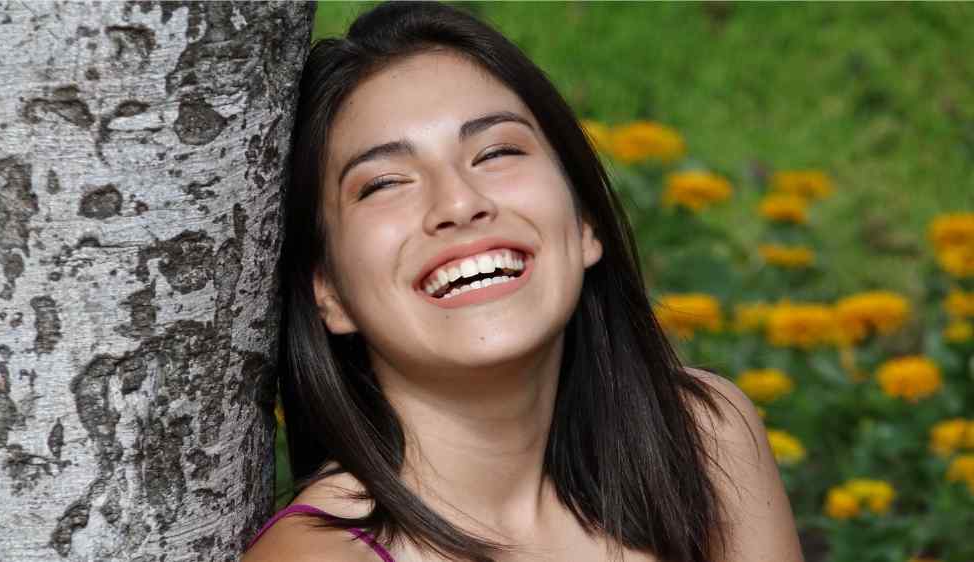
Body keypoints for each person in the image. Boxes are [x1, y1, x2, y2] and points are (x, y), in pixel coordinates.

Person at [244, 3, 804, 562]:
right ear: (329, 292)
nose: (459, 203)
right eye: (385, 183)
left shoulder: (705, 441)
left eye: (497, 152)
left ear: (584, 221)